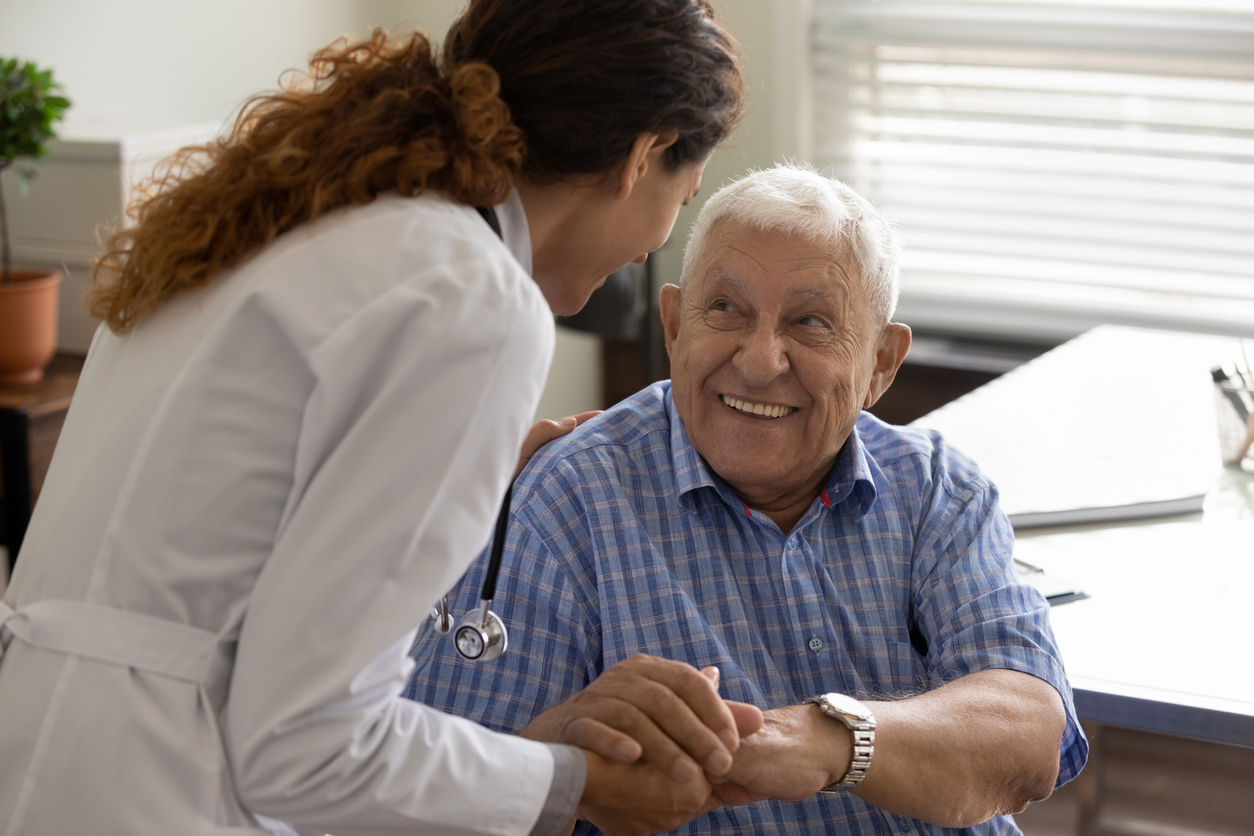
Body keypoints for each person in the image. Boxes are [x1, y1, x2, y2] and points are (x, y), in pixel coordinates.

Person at [0, 3, 755, 835]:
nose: (653, 246)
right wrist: (575, 784)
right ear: (642, 156)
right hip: (155, 789)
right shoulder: (476, 298)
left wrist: (453, 473)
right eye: (681, 201)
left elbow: (218, 506)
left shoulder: (280, 215)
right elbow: (308, 748)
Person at [407, 165, 1090, 835]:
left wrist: (823, 741)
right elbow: (436, 809)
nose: (761, 359)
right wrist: (568, 755)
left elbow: (1028, 736)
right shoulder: (566, 499)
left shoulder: (940, 489)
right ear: (674, 326)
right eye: (726, 309)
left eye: (811, 322)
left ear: (881, 362)